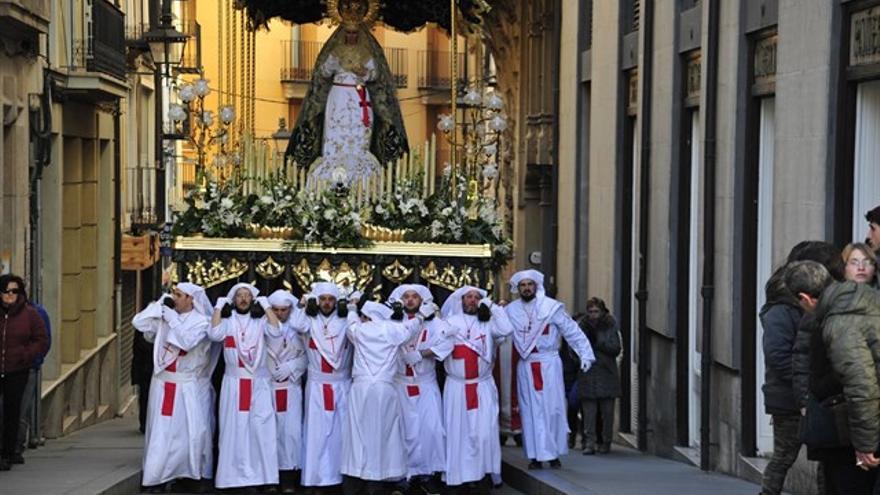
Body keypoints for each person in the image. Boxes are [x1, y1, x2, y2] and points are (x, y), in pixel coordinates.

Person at [287, 0, 407, 185]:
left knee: (360, 133)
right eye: (349, 33)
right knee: (335, 133)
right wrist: (333, 64)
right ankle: (332, 172)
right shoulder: (335, 50)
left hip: (360, 98)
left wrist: (365, 73)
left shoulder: (367, 50)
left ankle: (360, 174)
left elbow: (376, 73)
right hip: (338, 97)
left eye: (354, 33)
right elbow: (323, 72)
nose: (351, 37)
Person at [785, 261, 880, 494]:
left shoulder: (839, 323)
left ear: (806, 298)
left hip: (863, 427)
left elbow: (862, 386)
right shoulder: (862, 298)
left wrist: (865, 445)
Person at [132, 282, 217, 492]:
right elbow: (138, 322)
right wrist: (159, 305)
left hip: (186, 385)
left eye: (179, 295)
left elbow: (187, 342)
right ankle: (157, 476)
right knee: (160, 431)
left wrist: (173, 319)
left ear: (191, 299)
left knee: (187, 433)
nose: (175, 298)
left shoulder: (202, 322)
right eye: (173, 294)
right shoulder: (165, 319)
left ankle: (187, 475)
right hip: (162, 383)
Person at [504, 270, 594, 469]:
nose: (527, 288)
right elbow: (498, 332)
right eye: (523, 285)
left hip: (549, 364)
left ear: (536, 286)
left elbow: (572, 331)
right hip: (526, 366)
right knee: (530, 411)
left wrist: (585, 354)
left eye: (530, 284)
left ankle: (553, 453)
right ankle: (535, 455)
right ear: (518, 289)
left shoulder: (551, 308)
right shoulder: (511, 311)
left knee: (552, 409)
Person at [341, 299, 431, 495]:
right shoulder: (393, 330)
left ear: (367, 316)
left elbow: (350, 324)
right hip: (384, 388)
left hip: (361, 387)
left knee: (357, 432)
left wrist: (351, 308)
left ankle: (356, 477)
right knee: (384, 432)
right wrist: (422, 315)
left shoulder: (360, 330)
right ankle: (378, 479)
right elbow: (412, 327)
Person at [437, 286, 513, 494]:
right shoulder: (450, 322)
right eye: (468, 297)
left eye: (476, 297)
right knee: (457, 433)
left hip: (482, 386)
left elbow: (506, 330)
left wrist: (491, 306)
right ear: (460, 301)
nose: (472, 300)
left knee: (484, 433)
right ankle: (457, 478)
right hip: (456, 387)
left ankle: (482, 476)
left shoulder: (488, 323)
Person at [208, 283, 282, 490]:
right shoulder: (228, 321)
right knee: (235, 429)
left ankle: (265, 478)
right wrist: (217, 308)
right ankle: (232, 477)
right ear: (233, 300)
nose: (243, 299)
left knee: (261, 429)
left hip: (258, 383)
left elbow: (276, 332)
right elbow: (214, 334)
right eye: (239, 295)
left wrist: (266, 307)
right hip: (234, 383)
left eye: (247, 296)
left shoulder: (259, 322)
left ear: (252, 299)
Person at [287, 282, 355, 492]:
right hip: (317, 384)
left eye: (330, 299)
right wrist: (305, 301)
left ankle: (338, 477)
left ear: (337, 302)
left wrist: (353, 306)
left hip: (341, 384)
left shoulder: (345, 320)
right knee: (316, 433)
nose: (326, 303)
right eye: (323, 299)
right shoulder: (310, 319)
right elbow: (296, 324)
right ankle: (314, 479)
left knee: (341, 433)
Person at [388, 284, 452, 494]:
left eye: (414, 296)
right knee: (403, 431)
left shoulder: (434, 323)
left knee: (430, 429)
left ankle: (427, 473)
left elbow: (448, 342)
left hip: (425, 383)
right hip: (400, 384)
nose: (410, 300)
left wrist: (422, 354)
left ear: (421, 300)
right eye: (406, 297)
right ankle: (402, 474)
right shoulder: (392, 323)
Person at [758, 264, 804, 495]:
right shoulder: (780, 313)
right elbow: (777, 355)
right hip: (787, 398)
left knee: (824, 455)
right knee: (784, 456)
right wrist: (802, 382)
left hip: (797, 394)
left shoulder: (795, 311)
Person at [0, 274, 48, 471]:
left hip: (17, 371)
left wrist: (26, 355)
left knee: (12, 413)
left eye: (14, 291)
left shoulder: (30, 314)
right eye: (6, 291)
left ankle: (7, 453)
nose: (10, 295)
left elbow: (41, 339)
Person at [267, 290, 308, 494]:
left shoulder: (298, 329)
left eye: (284, 310)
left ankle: (288, 478)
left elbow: (313, 355)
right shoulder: (263, 327)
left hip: (290, 386)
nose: (280, 313)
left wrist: (292, 367)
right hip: (267, 387)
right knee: (268, 432)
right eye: (276, 310)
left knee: (290, 434)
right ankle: (269, 478)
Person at [576, 297, 621, 455]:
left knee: (607, 413)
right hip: (588, 373)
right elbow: (573, 349)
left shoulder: (610, 324)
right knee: (589, 413)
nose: (593, 315)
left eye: (596, 311)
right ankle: (590, 443)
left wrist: (599, 343)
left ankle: (606, 441)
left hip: (606, 373)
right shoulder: (581, 326)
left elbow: (616, 348)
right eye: (590, 312)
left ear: (602, 311)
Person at [16, 299, 50, 454]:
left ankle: (16, 447)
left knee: (21, 409)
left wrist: (33, 359)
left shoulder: (36, 312)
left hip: (27, 368)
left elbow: (44, 341)